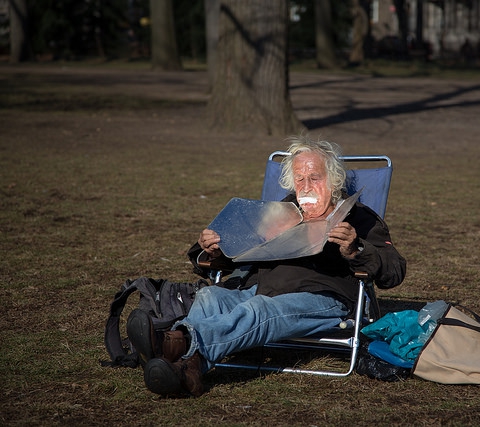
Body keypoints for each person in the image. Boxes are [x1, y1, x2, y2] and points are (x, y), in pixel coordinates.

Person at [129, 135, 406, 397]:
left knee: (259, 309)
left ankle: (174, 344)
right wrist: (212, 249)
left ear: (333, 181)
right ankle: (186, 372)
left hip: (323, 297)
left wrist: (356, 249)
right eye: (300, 179)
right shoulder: (280, 213)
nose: (306, 186)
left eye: (315, 177)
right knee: (211, 296)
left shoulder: (359, 218)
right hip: (265, 288)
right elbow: (240, 254)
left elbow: (394, 271)